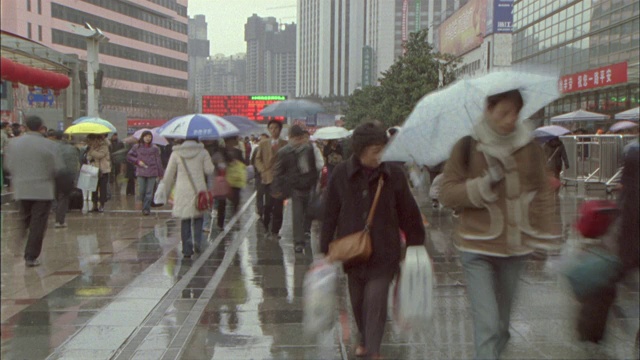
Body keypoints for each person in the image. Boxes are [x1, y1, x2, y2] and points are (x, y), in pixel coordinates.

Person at [439, 90, 559, 360]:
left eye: (515, 112)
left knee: (502, 327)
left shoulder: (529, 146)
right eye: (504, 112)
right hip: (476, 247)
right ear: (488, 109)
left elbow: (542, 190)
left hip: (515, 248)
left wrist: (544, 230)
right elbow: (446, 193)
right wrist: (482, 184)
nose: (510, 119)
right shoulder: (468, 145)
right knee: (488, 325)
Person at [320, 122, 425, 359]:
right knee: (357, 301)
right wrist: (325, 246)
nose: (379, 155)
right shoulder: (341, 174)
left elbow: (408, 211)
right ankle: (364, 339)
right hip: (352, 249)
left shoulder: (393, 174)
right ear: (360, 149)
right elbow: (330, 212)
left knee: (376, 299)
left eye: (382, 149)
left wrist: (415, 243)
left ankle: (373, 351)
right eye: (374, 150)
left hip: (385, 249)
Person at [4, 116, 64, 267]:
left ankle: (16, 242)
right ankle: (30, 256)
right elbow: (58, 168)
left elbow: (8, 166)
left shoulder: (14, 144)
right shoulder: (49, 145)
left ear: (26, 126)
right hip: (42, 191)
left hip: (22, 189)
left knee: (24, 219)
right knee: (38, 224)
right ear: (41, 127)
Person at [161, 138, 215, 259]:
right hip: (199, 189)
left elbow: (169, 173)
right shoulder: (203, 152)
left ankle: (186, 249)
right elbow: (209, 170)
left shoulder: (176, 153)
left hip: (182, 190)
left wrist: (166, 190)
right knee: (198, 217)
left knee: (185, 219)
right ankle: (197, 243)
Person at [272, 125, 319, 253]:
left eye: (300, 138)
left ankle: (306, 232)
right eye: (296, 138)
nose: (299, 141)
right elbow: (278, 171)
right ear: (291, 138)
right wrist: (277, 188)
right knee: (297, 215)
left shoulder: (308, 149)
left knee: (308, 212)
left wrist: (314, 180)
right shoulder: (284, 152)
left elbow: (313, 167)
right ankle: (298, 242)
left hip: (309, 185)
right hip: (295, 187)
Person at [255, 120, 288, 238]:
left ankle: (275, 231)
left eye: (276, 128)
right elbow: (257, 159)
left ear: (280, 129)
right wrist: (262, 170)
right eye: (271, 128)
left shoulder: (285, 144)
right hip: (267, 178)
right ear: (268, 130)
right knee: (268, 205)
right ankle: (266, 226)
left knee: (279, 207)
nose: (274, 130)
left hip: (280, 180)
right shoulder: (263, 144)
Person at [127, 130, 165, 215]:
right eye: (146, 136)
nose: (148, 138)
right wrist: (137, 161)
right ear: (142, 137)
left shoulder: (155, 148)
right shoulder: (137, 147)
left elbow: (158, 161)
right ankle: (145, 203)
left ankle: (146, 208)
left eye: (150, 137)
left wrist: (161, 173)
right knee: (141, 190)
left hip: (152, 171)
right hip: (141, 171)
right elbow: (129, 156)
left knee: (149, 191)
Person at [216, 136, 244, 230]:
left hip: (235, 180)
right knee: (222, 202)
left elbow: (244, 163)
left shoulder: (238, 152)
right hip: (223, 180)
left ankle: (235, 220)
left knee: (235, 201)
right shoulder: (220, 151)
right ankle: (220, 223)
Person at [53, 131, 80, 228]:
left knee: (56, 197)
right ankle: (60, 220)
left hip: (54, 174)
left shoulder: (53, 147)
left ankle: (56, 214)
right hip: (66, 176)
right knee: (63, 198)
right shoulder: (73, 149)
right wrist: (74, 179)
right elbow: (74, 165)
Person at [86, 134, 112, 212]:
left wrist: (91, 151)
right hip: (93, 170)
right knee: (93, 188)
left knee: (102, 188)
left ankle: (102, 204)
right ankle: (94, 205)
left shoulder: (104, 146)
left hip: (103, 170)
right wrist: (90, 155)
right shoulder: (91, 147)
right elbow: (88, 157)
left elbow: (100, 155)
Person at [251, 133, 269, 218]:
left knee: (269, 194)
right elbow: (252, 162)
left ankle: (268, 210)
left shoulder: (272, 149)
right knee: (260, 194)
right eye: (261, 139)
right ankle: (260, 210)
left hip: (269, 175)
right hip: (259, 175)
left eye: (264, 139)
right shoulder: (256, 150)